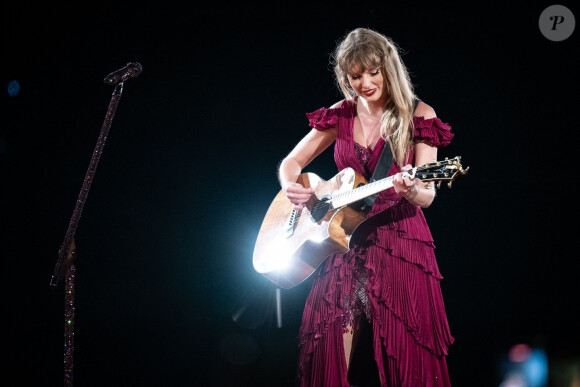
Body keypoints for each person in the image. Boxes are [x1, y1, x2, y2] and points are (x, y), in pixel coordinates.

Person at [278, 28, 455, 386]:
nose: (364, 82)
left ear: (388, 68)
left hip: (400, 241)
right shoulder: (340, 114)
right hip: (341, 240)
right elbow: (291, 163)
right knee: (323, 349)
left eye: (372, 72)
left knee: (410, 358)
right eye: (355, 76)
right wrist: (291, 188)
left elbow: (428, 194)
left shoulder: (418, 115)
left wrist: (409, 190)